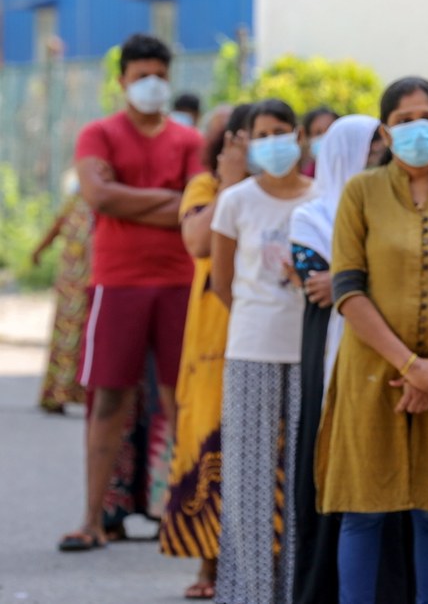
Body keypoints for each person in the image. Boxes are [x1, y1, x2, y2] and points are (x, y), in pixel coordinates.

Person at [313, 77, 428, 604]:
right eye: (405, 119)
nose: (419, 128)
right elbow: (347, 288)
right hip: (370, 369)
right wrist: (409, 364)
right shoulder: (360, 192)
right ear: (386, 133)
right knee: (362, 512)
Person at [58, 33, 203, 552]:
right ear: (122, 80)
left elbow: (194, 209)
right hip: (115, 282)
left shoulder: (189, 142)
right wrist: (167, 200)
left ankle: (184, 517)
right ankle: (92, 518)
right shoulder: (98, 134)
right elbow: (98, 195)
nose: (152, 85)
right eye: (141, 76)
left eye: (159, 76)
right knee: (109, 399)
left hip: (179, 282)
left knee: (179, 399)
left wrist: (127, 199)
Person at [210, 98, 314, 604]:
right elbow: (221, 282)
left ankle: (296, 590)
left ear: (300, 137)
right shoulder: (236, 201)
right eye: (263, 133)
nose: (274, 141)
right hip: (250, 350)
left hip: (309, 352)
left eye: (282, 131)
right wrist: (257, 319)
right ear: (248, 141)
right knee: (247, 480)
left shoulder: (322, 199)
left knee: (302, 483)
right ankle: (247, 593)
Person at [288, 114, 382, 603]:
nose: (379, 159)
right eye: (369, 150)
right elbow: (321, 288)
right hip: (332, 350)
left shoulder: (393, 210)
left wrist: (356, 281)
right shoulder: (311, 216)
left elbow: (350, 280)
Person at [159, 103, 252, 600]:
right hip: (211, 343)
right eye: (228, 138)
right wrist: (230, 184)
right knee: (208, 441)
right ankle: (208, 563)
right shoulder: (204, 189)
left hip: (261, 332)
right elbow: (196, 240)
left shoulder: (277, 188)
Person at [32, 170, 93, 413]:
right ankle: (55, 395)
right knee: (65, 339)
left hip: (92, 283)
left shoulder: (102, 206)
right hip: (71, 286)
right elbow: (54, 229)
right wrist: (38, 251)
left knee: (87, 338)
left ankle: (84, 395)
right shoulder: (75, 205)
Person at [301, 106, 340, 178]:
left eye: (331, 130)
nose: (326, 137)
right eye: (318, 133)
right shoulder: (307, 177)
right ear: (308, 139)